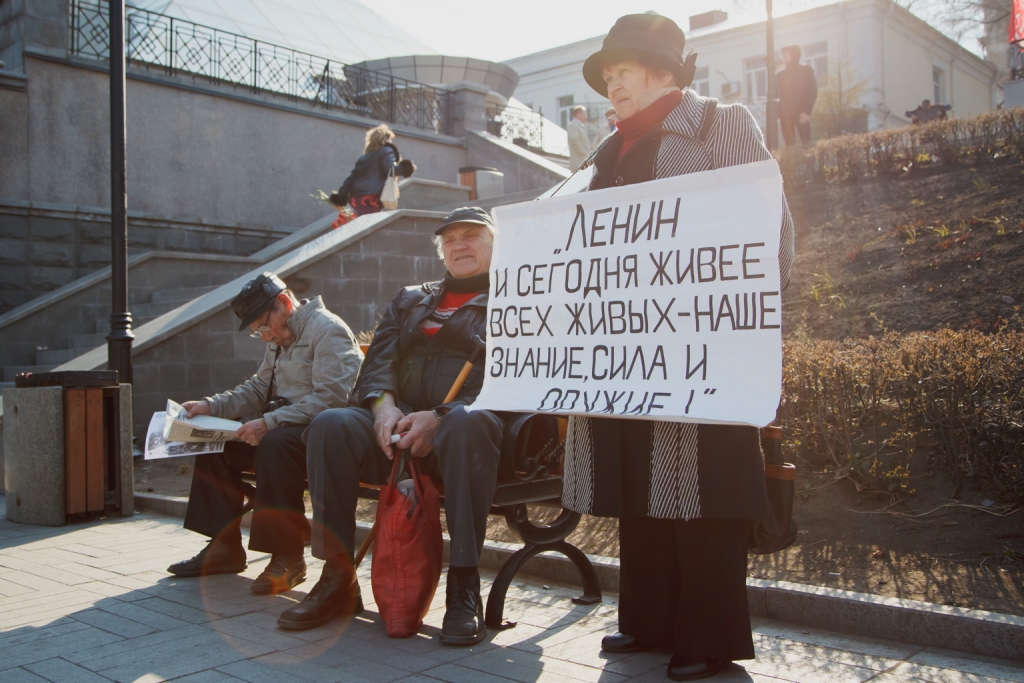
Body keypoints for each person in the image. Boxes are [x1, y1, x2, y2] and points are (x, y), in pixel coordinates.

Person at [569, 13, 795, 682]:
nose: (613, 87)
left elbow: (768, 227)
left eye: (623, 73)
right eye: (607, 78)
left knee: (702, 490)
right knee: (641, 481)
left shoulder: (721, 124)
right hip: (623, 351)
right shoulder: (602, 154)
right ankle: (647, 620)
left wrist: (743, 319)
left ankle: (709, 634)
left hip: (701, 349)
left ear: (663, 71)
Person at [278, 207, 504, 647]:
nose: (460, 244)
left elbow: (515, 375)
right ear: (441, 252)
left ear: (495, 244)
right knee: (331, 424)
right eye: (451, 238)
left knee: (463, 422)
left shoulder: (517, 299)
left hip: (466, 434)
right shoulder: (410, 299)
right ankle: (337, 578)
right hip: (396, 429)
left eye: (472, 236)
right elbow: (378, 362)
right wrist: (383, 409)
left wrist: (438, 417)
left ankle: (463, 585)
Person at [167, 272, 363, 596]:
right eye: (256, 331)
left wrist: (270, 422)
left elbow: (331, 399)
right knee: (211, 444)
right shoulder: (279, 336)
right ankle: (224, 547)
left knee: (273, 444)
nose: (262, 335)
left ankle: (288, 558)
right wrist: (210, 406)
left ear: (284, 303)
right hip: (283, 428)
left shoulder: (328, 330)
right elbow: (258, 388)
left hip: (320, 435)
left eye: (261, 326)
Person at [330, 124, 416, 216]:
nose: (390, 141)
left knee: (361, 223)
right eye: (389, 138)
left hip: (356, 197)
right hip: (370, 197)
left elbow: (351, 179)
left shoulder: (364, 157)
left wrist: (341, 197)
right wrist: (405, 168)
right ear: (385, 138)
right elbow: (389, 169)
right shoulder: (386, 150)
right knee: (368, 226)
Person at [777, 45, 818, 147]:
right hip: (785, 116)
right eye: (783, 54)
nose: (783, 56)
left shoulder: (806, 71)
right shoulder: (780, 75)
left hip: (802, 115)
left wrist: (807, 111)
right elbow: (776, 94)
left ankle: (809, 163)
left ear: (794, 55)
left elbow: (812, 90)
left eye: (786, 53)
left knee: (806, 143)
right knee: (789, 145)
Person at [567, 104, 593, 171]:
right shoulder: (572, 125)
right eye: (585, 114)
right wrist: (585, 154)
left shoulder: (579, 126)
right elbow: (574, 141)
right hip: (579, 164)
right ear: (579, 114)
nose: (586, 117)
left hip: (583, 164)